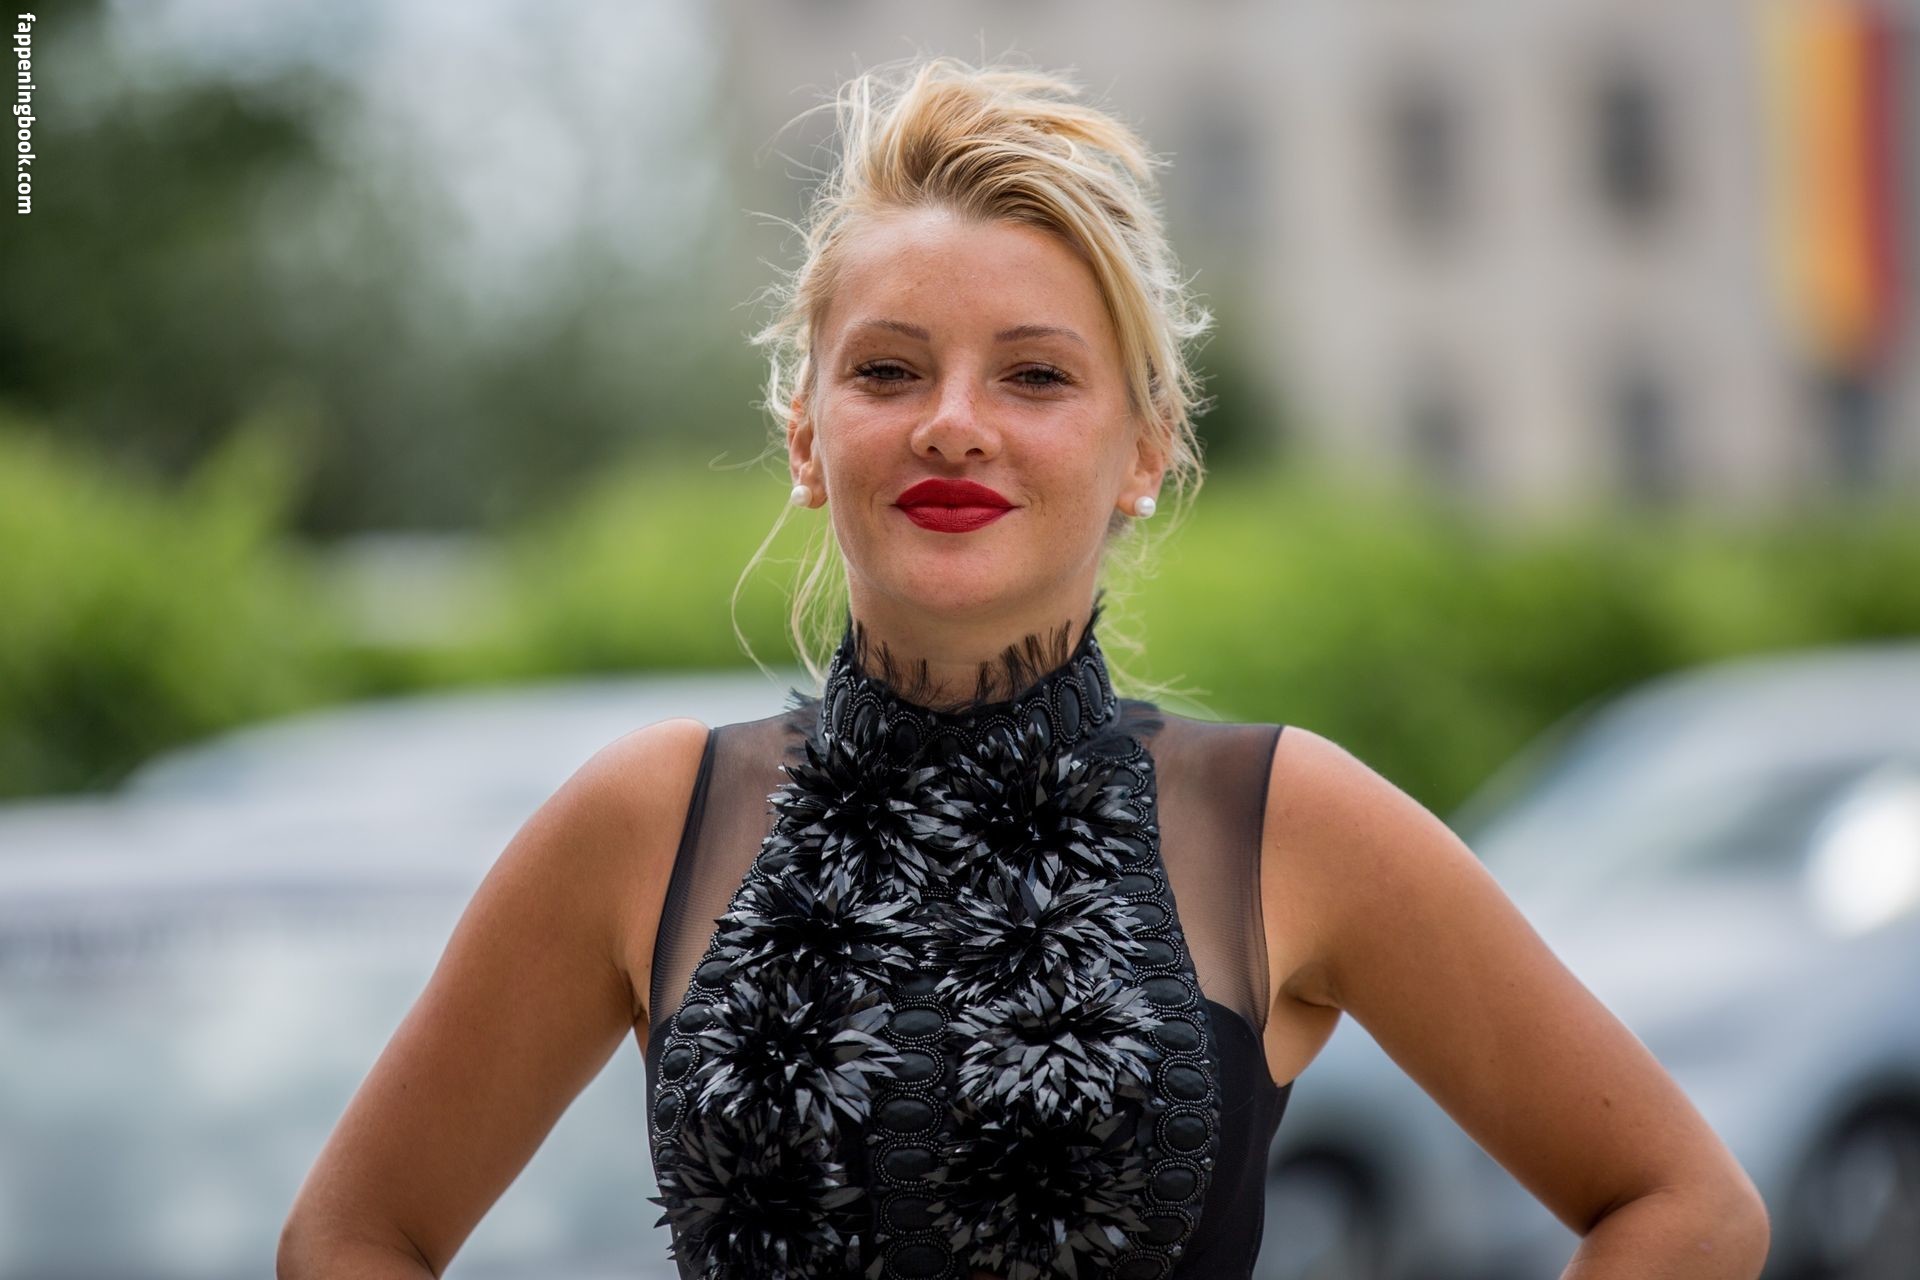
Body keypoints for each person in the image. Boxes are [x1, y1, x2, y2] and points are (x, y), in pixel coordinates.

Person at [279, 55, 1770, 1280]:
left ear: (1144, 451)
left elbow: (1685, 1208)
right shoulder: (647, 822)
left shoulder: (1282, 824)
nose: (953, 422)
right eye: (887, 370)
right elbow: (353, 1237)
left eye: (1036, 374)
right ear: (808, 437)